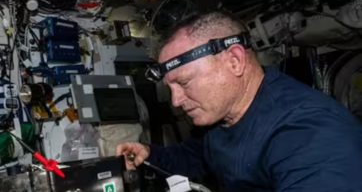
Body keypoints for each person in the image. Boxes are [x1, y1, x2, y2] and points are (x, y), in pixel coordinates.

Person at [117, 11, 362, 191]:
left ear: (234, 60)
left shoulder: (310, 135)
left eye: (183, 83)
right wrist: (149, 155)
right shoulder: (219, 117)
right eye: (169, 88)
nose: (176, 101)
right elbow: (196, 156)